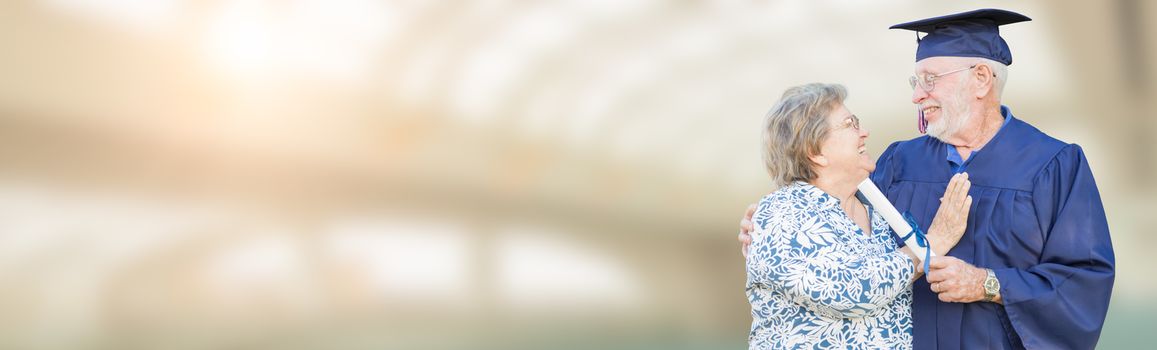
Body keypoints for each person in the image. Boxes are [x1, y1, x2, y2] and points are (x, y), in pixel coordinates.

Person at [739, 9, 1115, 350]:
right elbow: (837, 230)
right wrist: (767, 227)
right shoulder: (899, 163)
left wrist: (989, 284)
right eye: (914, 82)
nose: (918, 96)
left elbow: (1084, 280)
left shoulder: (1053, 164)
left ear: (981, 78)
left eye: (930, 80)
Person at [745, 83, 972, 349]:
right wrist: (931, 244)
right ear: (814, 151)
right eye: (850, 124)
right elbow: (849, 290)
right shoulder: (780, 215)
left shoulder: (879, 213)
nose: (864, 133)